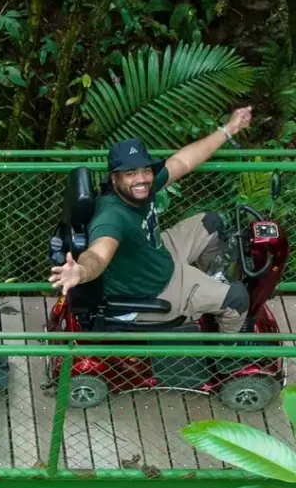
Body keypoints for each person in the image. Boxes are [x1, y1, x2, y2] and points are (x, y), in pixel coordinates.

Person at [49, 106, 254, 332]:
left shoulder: (143, 186)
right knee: (237, 298)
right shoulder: (112, 216)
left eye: (145, 171)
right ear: (114, 178)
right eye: (130, 173)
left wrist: (228, 129)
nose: (141, 179)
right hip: (152, 287)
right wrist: (80, 272)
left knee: (211, 223)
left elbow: (183, 162)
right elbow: (98, 254)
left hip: (153, 255)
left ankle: (209, 294)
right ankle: (228, 357)